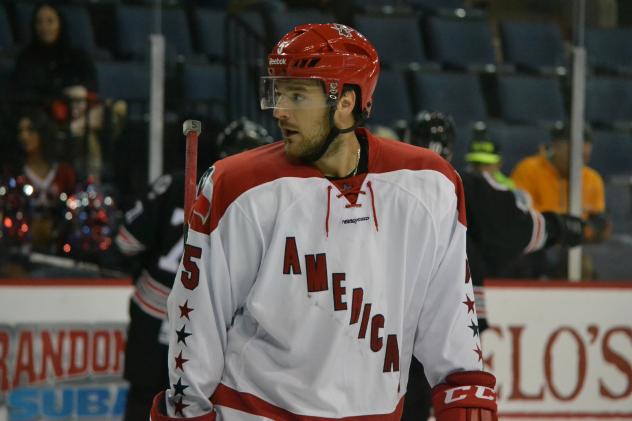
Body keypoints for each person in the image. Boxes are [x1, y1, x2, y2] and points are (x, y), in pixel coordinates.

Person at [151, 24, 498, 421]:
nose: (280, 110)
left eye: (297, 95)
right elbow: (198, 315)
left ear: (347, 101)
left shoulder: (430, 185)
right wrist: (188, 411)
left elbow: (449, 313)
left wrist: (465, 396)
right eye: (278, 93)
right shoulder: (238, 186)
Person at [401, 111, 584, 420]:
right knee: (458, 397)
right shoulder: (465, 185)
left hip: (396, 315)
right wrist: (561, 227)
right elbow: (513, 228)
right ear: (452, 148)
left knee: (405, 397)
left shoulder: (385, 188)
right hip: (456, 313)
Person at [115, 119, 272, 421]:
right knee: (193, 407)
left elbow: (126, 242)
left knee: (144, 403)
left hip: (154, 316)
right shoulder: (260, 206)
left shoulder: (175, 184)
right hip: (209, 328)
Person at [511, 125, 610, 278]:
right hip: (541, 242)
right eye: (576, 156)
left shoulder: (592, 178)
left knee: (591, 260)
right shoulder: (529, 170)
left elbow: (597, 221)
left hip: (576, 244)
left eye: (585, 157)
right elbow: (521, 217)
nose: (580, 163)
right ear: (556, 147)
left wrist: (594, 229)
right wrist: (562, 227)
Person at [17, 108, 77, 252]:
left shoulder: (64, 172)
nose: (24, 136)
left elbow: (74, 211)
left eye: (31, 130)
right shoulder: (15, 175)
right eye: (20, 131)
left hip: (62, 253)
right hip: (21, 255)